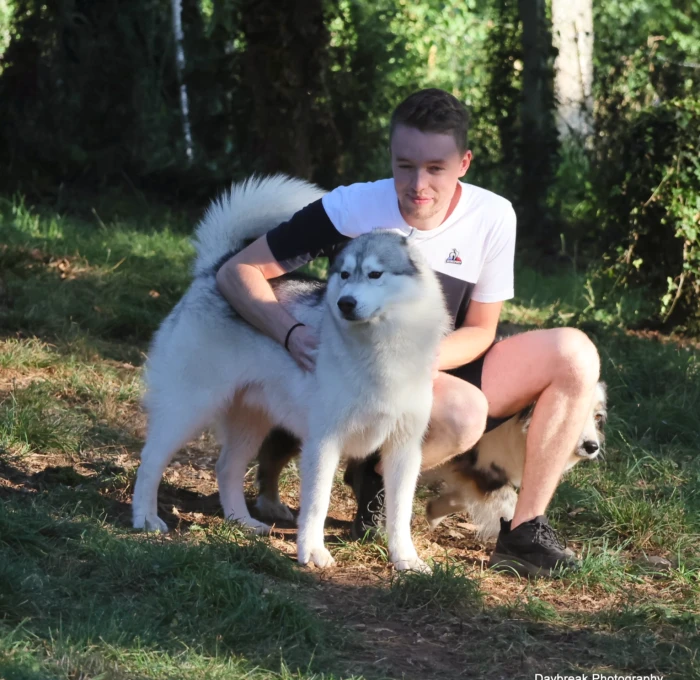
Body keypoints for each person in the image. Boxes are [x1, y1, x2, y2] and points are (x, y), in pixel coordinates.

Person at [215, 88, 600, 577]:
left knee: (577, 354)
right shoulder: (353, 207)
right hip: (367, 371)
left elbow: (482, 330)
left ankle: (525, 529)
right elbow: (236, 273)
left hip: (440, 357)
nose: (418, 184)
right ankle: (375, 479)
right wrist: (290, 333)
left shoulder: (494, 214)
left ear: (464, 162)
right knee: (465, 413)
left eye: (436, 167)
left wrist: (416, 361)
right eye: (405, 165)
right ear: (391, 159)